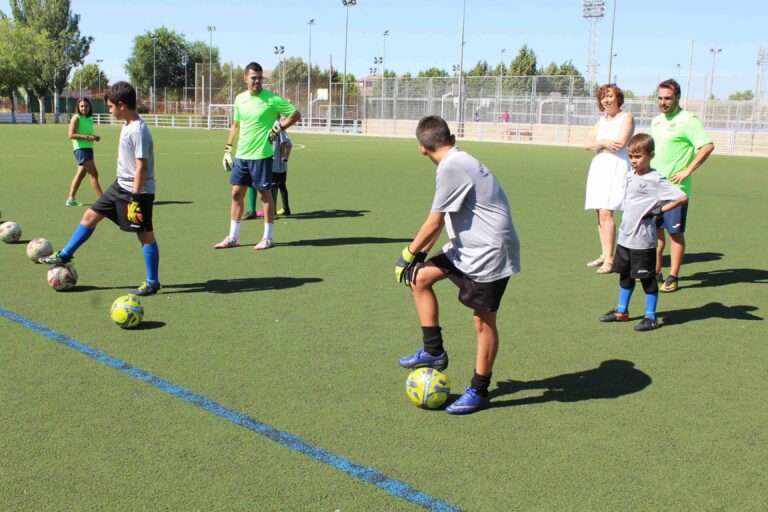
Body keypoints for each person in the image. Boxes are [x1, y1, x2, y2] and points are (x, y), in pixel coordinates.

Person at [395, 115, 521, 415]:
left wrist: (407, 254)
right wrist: (418, 260)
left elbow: (434, 221)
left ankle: (479, 390)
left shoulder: (452, 166)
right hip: (467, 247)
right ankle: (434, 352)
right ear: (449, 136)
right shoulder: (459, 159)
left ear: (422, 149)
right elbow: (441, 221)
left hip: (490, 253)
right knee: (420, 278)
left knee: (483, 321)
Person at [40, 82, 161, 296]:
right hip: (119, 185)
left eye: (111, 106)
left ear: (121, 105)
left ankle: (152, 282)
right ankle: (66, 254)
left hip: (136, 191)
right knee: (89, 216)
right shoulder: (128, 125)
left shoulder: (138, 130)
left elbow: (142, 165)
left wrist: (135, 197)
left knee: (145, 236)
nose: (109, 110)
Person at [599, 133, 688, 331]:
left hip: (643, 241)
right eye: (631, 156)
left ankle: (651, 317)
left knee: (647, 279)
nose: (633, 161)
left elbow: (681, 197)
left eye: (638, 157)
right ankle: (622, 311)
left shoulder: (655, 179)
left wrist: (659, 210)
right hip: (625, 237)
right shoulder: (630, 175)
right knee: (625, 275)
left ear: (651, 155)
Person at [217, 62, 301, 250]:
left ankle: (268, 237)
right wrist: (228, 149)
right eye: (253, 77)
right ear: (245, 78)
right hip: (242, 156)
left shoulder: (272, 99)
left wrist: (279, 127)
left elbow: (295, 114)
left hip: (262, 156)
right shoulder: (240, 99)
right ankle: (233, 237)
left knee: (265, 196)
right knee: (236, 193)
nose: (257, 81)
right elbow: (236, 125)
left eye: (259, 77)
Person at [649, 79, 714, 292]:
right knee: (655, 232)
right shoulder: (656, 121)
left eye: (668, 98)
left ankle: (673, 276)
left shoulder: (688, 120)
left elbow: (707, 146)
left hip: (676, 190)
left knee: (674, 234)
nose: (663, 102)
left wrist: (688, 170)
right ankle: (656, 271)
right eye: (660, 98)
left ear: (677, 98)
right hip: (655, 186)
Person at [583, 84, 634, 274]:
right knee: (599, 212)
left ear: (618, 98)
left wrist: (599, 145)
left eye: (610, 96)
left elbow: (620, 144)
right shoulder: (601, 121)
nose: (606, 100)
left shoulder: (626, 118)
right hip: (599, 168)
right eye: (603, 97)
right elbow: (587, 144)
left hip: (616, 167)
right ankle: (605, 254)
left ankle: (611, 259)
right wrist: (603, 143)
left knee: (606, 212)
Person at [242, 118, 293, 218]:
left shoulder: (276, 124)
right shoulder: (264, 123)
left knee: (272, 185)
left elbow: (285, 142)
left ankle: (271, 211)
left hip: (272, 161)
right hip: (261, 157)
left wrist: (283, 157)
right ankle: (257, 211)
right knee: (256, 183)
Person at [66, 97, 104, 206]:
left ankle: (71, 199)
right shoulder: (76, 118)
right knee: (94, 174)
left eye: (86, 106)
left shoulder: (89, 118)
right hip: (81, 149)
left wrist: (94, 137)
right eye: (81, 106)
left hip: (88, 148)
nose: (84, 108)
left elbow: (87, 134)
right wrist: (87, 137)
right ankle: (103, 200)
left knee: (81, 174)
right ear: (78, 107)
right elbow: (71, 135)